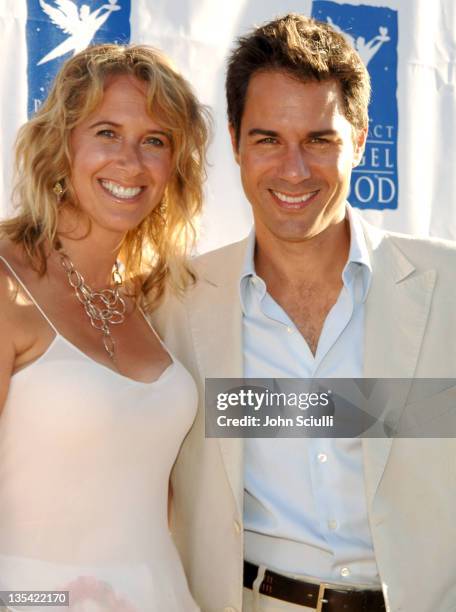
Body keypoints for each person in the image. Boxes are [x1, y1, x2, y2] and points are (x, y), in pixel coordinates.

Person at [152, 13, 456, 612]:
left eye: (319, 140)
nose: (294, 170)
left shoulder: (446, 289)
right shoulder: (171, 305)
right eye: (268, 139)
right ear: (235, 141)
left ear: (362, 139)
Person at [0, 43, 209, 611]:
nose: (131, 162)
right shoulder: (4, 280)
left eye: (155, 141)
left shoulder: (156, 294)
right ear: (61, 142)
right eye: (107, 133)